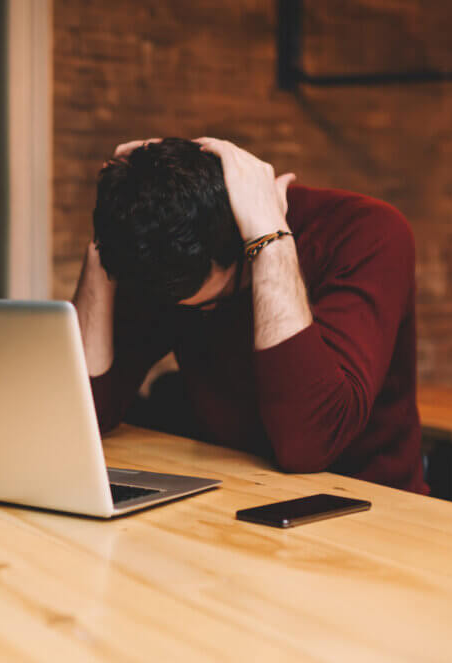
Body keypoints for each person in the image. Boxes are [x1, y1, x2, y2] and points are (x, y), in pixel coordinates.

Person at [72, 138, 427, 493]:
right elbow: (84, 414)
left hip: (371, 507)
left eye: (208, 304)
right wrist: (105, 236)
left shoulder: (368, 232)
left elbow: (309, 445)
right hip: (237, 493)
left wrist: (269, 241)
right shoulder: (166, 246)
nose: (198, 313)